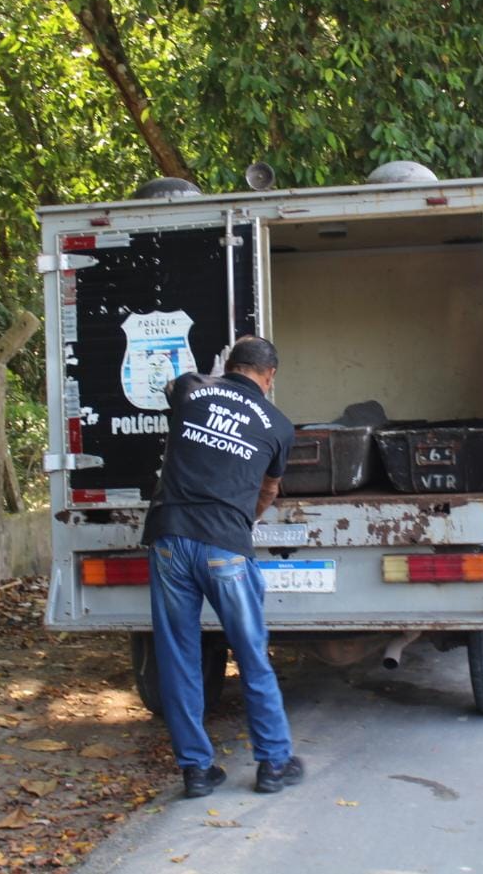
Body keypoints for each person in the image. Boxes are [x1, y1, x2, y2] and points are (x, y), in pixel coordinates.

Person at [140, 335, 303, 797]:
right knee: (251, 655)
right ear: (270, 377)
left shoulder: (191, 387)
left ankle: (196, 770)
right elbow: (269, 489)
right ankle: (273, 763)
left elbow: (175, 390)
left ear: (228, 365)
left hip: (170, 539)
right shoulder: (277, 424)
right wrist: (239, 520)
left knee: (178, 657)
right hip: (225, 547)